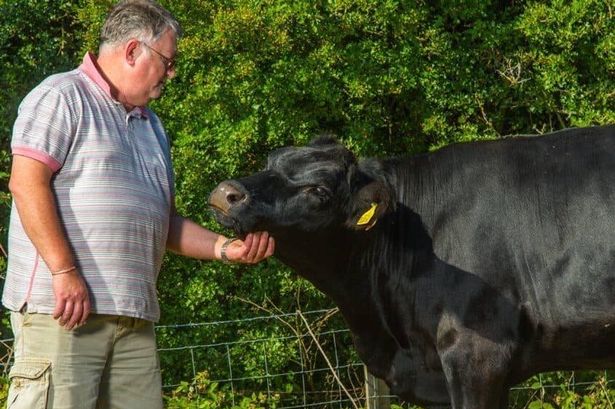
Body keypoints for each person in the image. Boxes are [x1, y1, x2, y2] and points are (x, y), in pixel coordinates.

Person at [2, 0, 275, 408]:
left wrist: (226, 248)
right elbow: (26, 184)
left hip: (133, 317)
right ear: (132, 51)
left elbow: (164, 223)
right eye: (168, 60)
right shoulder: (62, 96)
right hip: (64, 310)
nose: (172, 72)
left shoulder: (153, 127)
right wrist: (64, 271)